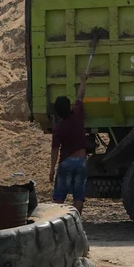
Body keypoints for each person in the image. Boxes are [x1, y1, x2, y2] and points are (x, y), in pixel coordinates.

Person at [49, 68, 90, 213]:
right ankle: (76, 222)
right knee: (78, 197)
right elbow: (80, 96)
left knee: (59, 198)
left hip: (66, 163)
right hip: (81, 162)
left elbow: (55, 150)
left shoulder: (58, 128)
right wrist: (83, 81)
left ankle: (58, 223)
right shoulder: (77, 114)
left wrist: (52, 170)